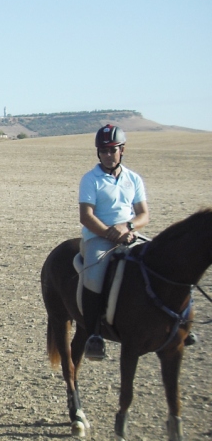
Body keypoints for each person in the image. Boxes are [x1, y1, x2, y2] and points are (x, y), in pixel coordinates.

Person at [78, 124, 149, 360]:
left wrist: (128, 227)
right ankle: (94, 335)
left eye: (112, 150)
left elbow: (143, 215)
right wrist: (111, 233)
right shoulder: (90, 179)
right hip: (98, 238)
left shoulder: (133, 179)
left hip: (129, 235)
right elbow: (86, 216)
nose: (108, 155)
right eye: (103, 151)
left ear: (122, 150)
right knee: (93, 276)